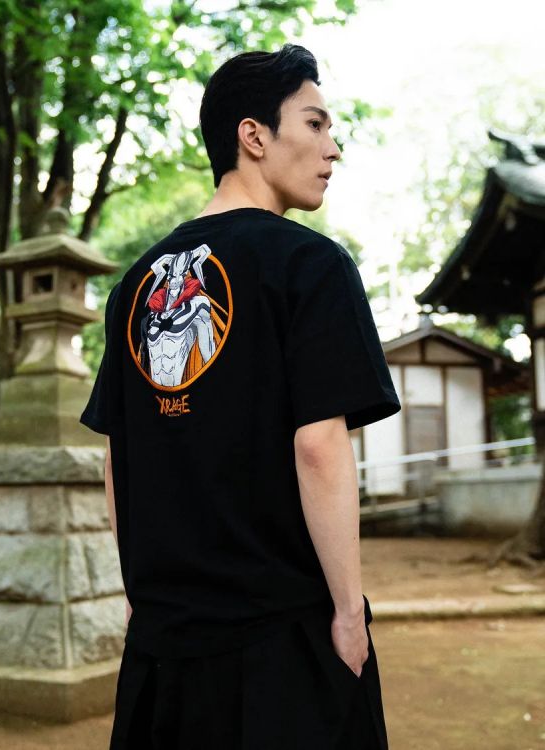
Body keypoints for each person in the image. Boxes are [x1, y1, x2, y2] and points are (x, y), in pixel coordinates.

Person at [80, 42, 401, 750]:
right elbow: (319, 447)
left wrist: (139, 595)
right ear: (253, 135)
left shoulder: (133, 286)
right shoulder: (310, 263)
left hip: (163, 649)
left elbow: (117, 459)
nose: (333, 147)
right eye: (315, 123)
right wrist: (349, 613)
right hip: (282, 641)